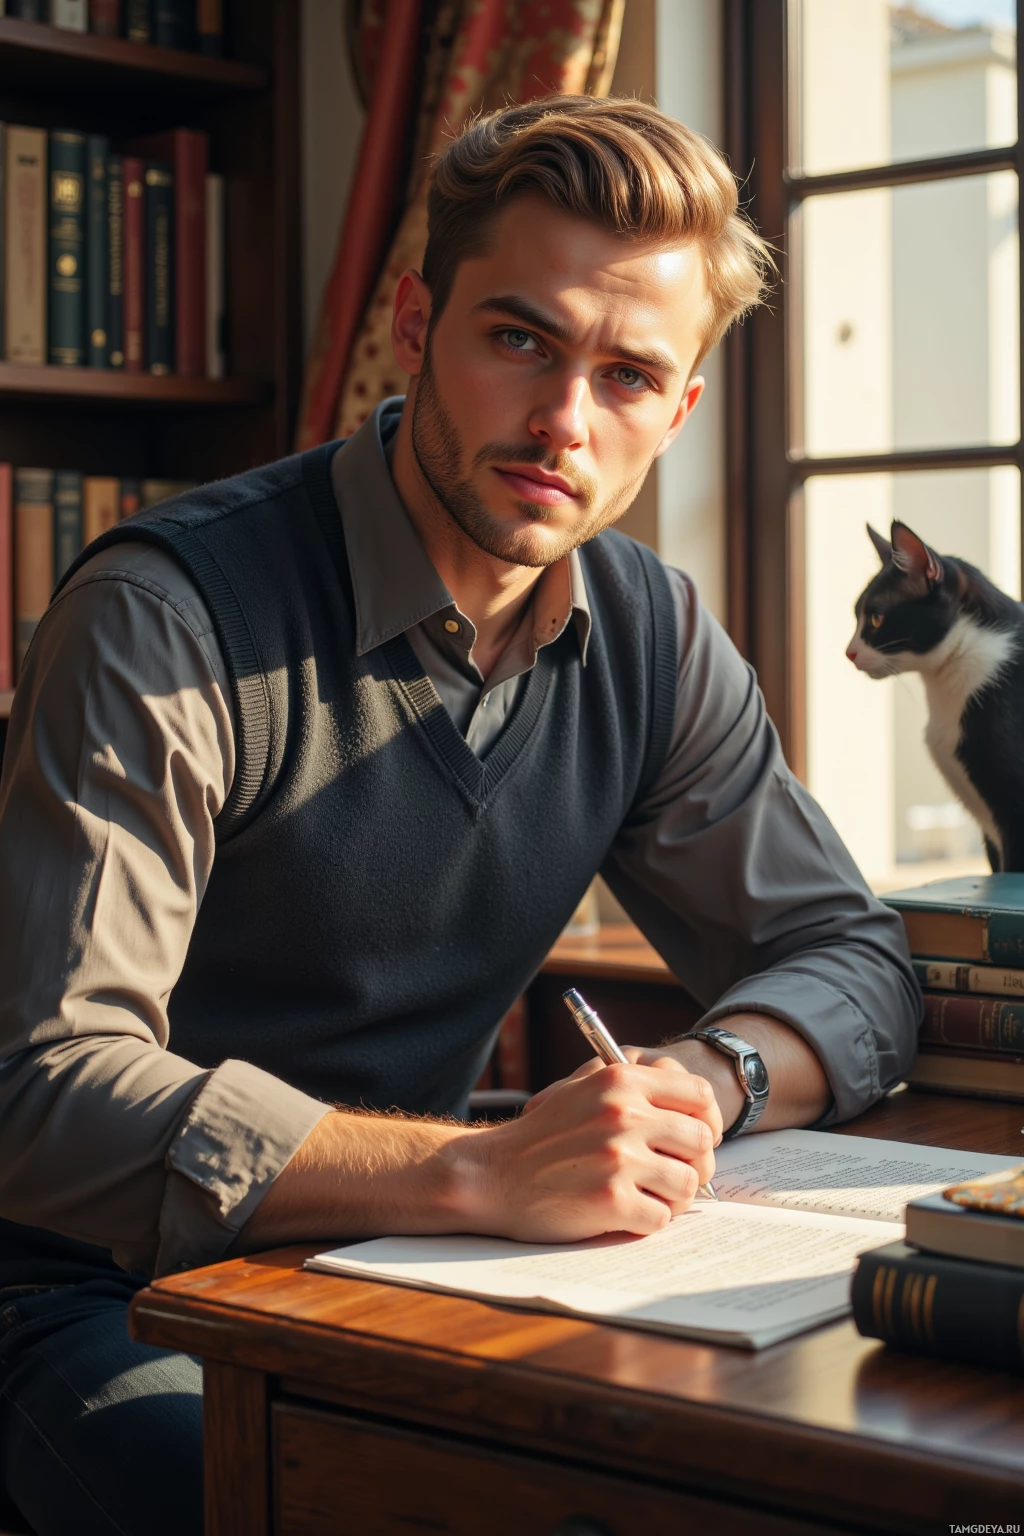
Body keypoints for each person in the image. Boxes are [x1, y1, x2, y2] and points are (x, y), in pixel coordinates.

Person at [0, 95, 920, 1535]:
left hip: (416, 1263)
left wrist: (704, 1082)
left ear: (679, 411)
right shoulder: (163, 614)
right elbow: (43, 1091)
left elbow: (851, 954)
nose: (564, 420)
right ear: (418, 326)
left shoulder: (652, 634)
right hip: (82, 1293)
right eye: (520, 341)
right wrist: (481, 1168)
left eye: (627, 376)